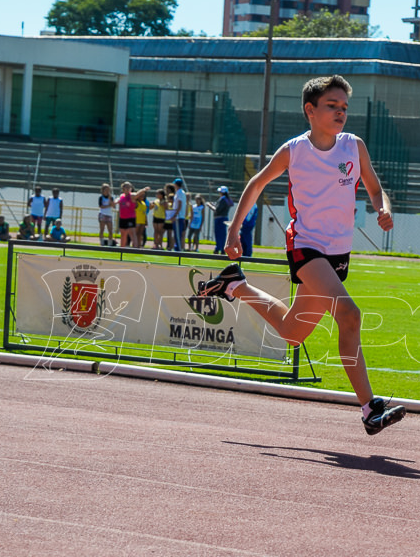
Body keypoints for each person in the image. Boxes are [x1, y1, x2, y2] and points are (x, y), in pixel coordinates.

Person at [198, 75, 405, 435]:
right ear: (310, 110)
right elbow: (257, 183)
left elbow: (374, 188)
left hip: (338, 252)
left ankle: (236, 287)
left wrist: (382, 207)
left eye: (344, 107)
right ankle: (369, 407)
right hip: (306, 246)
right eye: (332, 106)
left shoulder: (353, 146)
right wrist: (234, 230)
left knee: (293, 333)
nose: (340, 112)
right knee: (350, 315)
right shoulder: (294, 150)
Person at [117, 181, 150, 248]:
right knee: (123, 234)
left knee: (132, 233)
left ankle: (135, 248)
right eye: (127, 187)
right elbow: (118, 201)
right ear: (123, 188)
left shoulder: (132, 195)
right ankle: (122, 248)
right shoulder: (121, 196)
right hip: (123, 217)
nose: (128, 188)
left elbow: (138, 194)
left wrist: (144, 189)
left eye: (129, 187)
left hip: (130, 217)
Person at [210, 185, 234, 254]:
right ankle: (223, 248)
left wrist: (210, 206)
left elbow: (217, 210)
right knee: (223, 234)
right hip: (224, 218)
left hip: (219, 219)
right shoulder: (227, 199)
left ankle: (218, 248)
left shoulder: (222, 199)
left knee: (218, 234)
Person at [171, 177, 188, 251]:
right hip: (179, 216)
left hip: (178, 216)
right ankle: (177, 247)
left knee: (178, 233)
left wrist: (175, 214)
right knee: (176, 233)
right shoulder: (179, 192)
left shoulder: (180, 192)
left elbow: (180, 204)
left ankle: (178, 249)